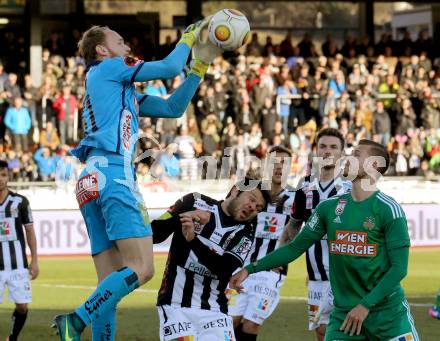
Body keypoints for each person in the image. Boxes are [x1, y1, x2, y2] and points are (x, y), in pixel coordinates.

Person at [52, 19, 221, 341]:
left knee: (109, 285)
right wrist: (188, 36)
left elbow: (173, 107)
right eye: (119, 41)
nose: (126, 46)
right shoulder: (111, 67)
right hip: (115, 176)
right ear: (102, 49)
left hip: (90, 180)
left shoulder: (117, 90)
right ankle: (75, 320)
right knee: (143, 269)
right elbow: (170, 67)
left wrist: (199, 66)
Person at [230, 140, 420, 341]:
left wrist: (365, 305)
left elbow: (399, 268)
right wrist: (249, 269)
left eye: (356, 155)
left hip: (387, 315)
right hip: (344, 317)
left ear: (373, 165)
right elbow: (294, 248)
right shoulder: (328, 208)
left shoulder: (389, 209)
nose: (348, 158)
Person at [152, 177, 269, 341]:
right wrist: (186, 216)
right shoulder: (193, 201)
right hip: (175, 306)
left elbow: (223, 269)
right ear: (236, 190)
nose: (252, 208)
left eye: (258, 207)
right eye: (252, 199)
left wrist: (192, 239)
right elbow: (154, 234)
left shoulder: (245, 233)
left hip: (214, 311)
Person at [280, 128, 351, 341]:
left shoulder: (350, 187)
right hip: (316, 276)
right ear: (315, 151)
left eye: (333, 147)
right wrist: (279, 258)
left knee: (346, 330)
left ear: (342, 154)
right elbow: (293, 226)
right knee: (321, 331)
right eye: (322, 146)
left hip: (346, 275)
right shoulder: (305, 186)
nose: (327, 151)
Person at [229, 145, 295, 341]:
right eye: (274, 162)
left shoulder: (295, 199)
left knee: (251, 324)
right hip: (244, 267)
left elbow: (304, 233)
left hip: (271, 272)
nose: (278, 167)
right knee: (230, 321)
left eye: (284, 163)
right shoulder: (253, 195)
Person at [0, 160, 39, 341]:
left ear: (8, 177)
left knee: (22, 306)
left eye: (3, 175)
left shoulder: (20, 202)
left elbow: (29, 231)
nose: (0, 179)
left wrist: (35, 260)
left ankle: (12, 338)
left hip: (18, 265)